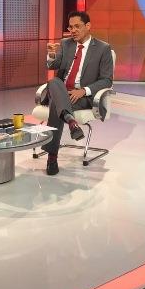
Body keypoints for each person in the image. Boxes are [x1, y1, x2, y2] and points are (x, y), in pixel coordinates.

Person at [43, 11, 113, 175]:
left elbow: (107, 80)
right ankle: (71, 121)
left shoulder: (103, 48)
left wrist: (84, 91)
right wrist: (51, 54)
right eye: (70, 27)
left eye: (77, 26)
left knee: (55, 104)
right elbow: (53, 66)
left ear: (88, 26)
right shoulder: (66, 44)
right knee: (54, 82)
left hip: (82, 96)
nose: (73, 30)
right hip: (61, 90)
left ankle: (52, 157)